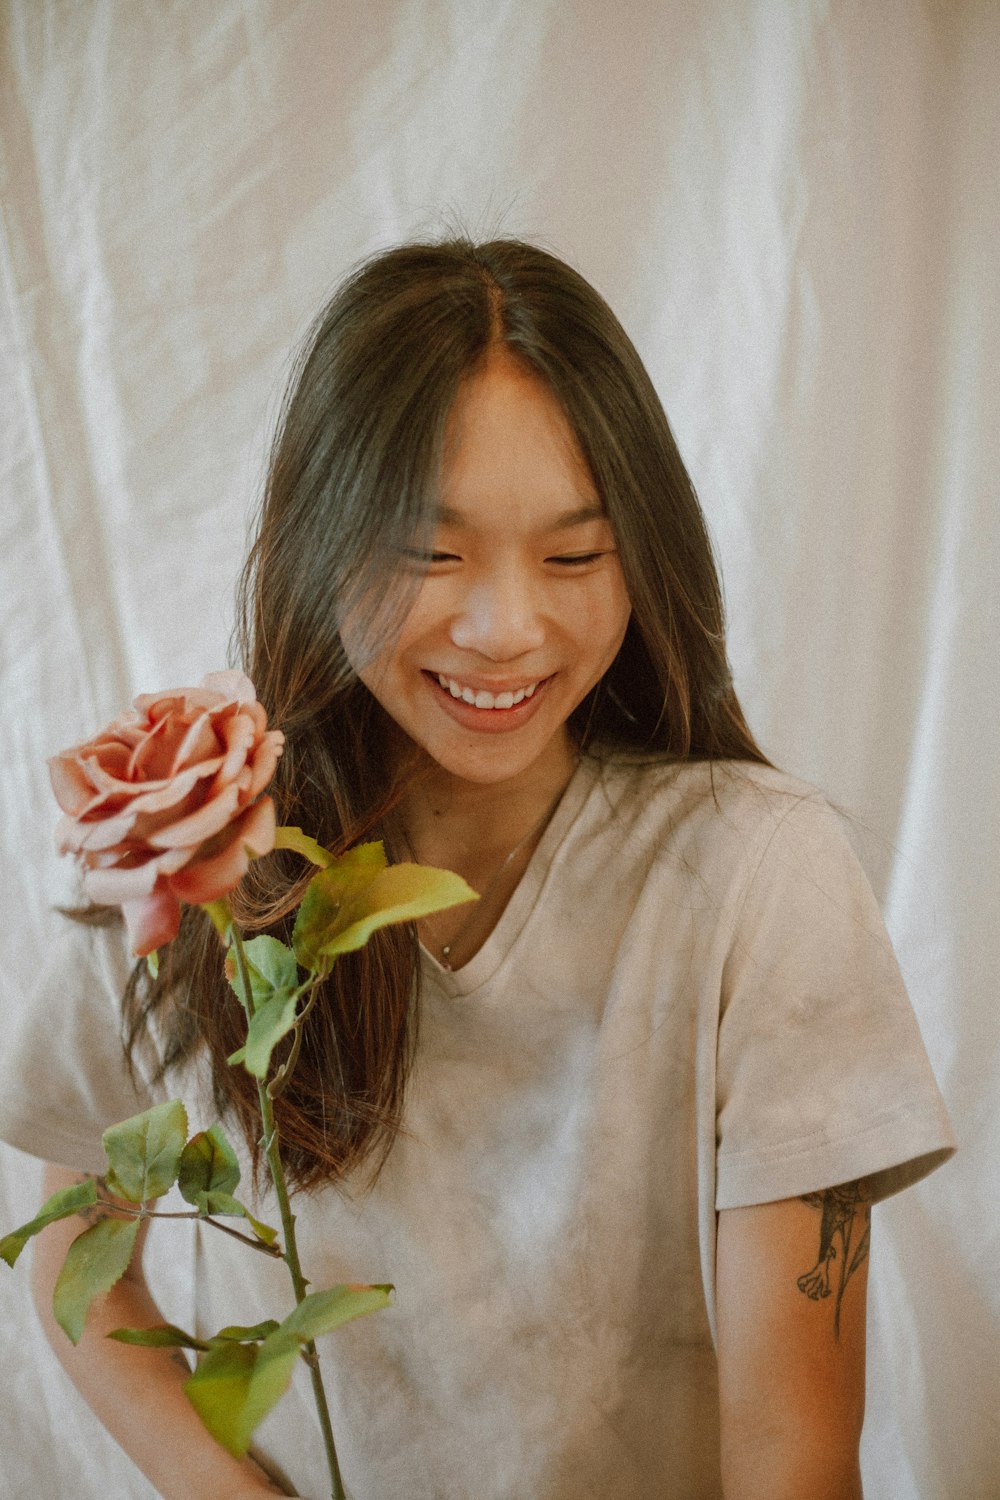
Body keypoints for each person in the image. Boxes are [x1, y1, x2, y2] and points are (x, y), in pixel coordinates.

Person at [1, 236, 954, 1500]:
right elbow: (77, 1262)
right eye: (433, 554)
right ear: (317, 543)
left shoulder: (755, 876)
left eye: (573, 556)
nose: (508, 629)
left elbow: (792, 1454)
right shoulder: (193, 846)